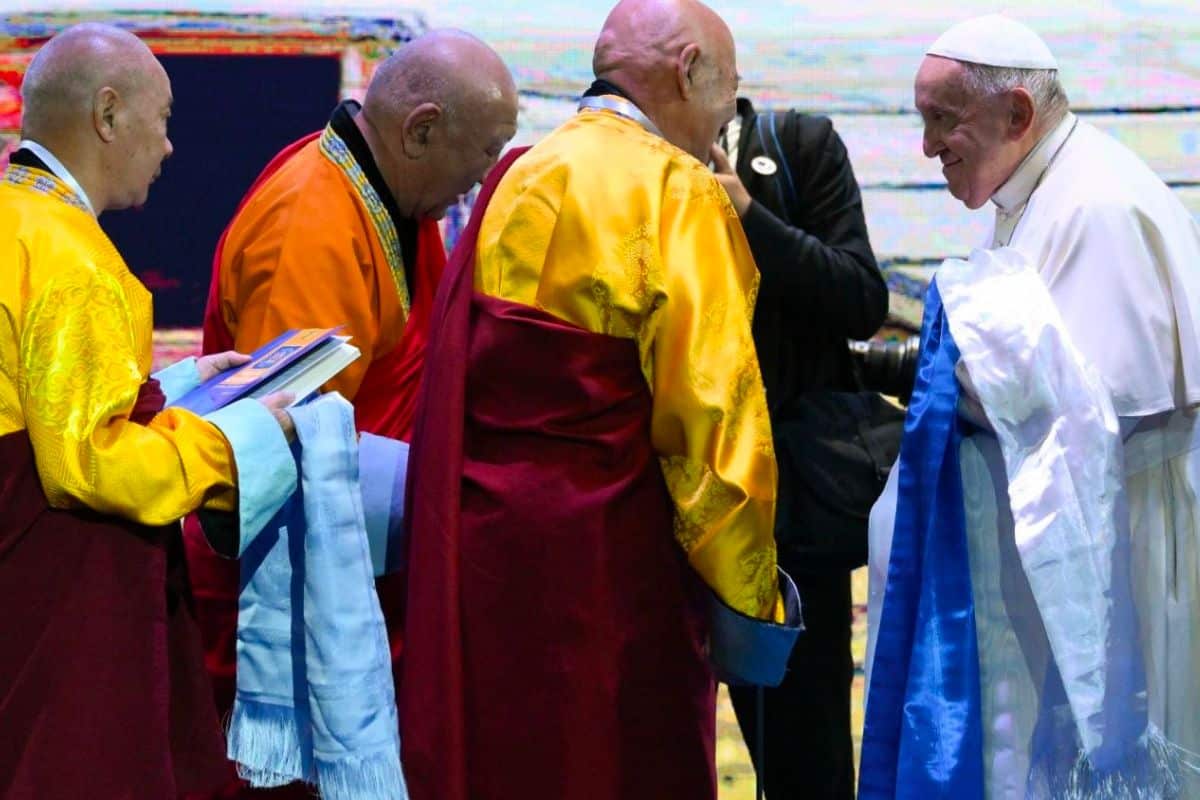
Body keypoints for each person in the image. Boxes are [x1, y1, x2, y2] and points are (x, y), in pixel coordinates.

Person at [399, 2, 802, 799]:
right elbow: (714, 424)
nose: (730, 115)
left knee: (511, 759)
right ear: (688, 71)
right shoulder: (675, 189)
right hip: (614, 564)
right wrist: (748, 601)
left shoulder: (520, 171)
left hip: (490, 550)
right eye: (731, 89)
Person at [862, 14, 1200, 799]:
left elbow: (1092, 414)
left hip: (1127, 551)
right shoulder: (1039, 188)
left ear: (1016, 114)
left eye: (942, 121)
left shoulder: (1097, 206)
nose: (925, 147)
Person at [181, 29, 519, 798]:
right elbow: (286, 456)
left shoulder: (386, 194)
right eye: (482, 154)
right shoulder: (313, 220)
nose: (478, 181)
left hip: (373, 565)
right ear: (422, 129)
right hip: (291, 603)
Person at [0, 23, 295, 799]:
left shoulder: (14, 220)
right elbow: (89, 465)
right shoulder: (70, 259)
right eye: (161, 121)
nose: (168, 149)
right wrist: (238, 444)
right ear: (107, 115)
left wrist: (185, 382)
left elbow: (37, 392)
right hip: (64, 586)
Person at [710, 96, 886, 798]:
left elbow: (862, 301)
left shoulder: (797, 145)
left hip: (784, 507)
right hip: (655, 497)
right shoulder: (621, 168)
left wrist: (751, 217)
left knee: (804, 759)